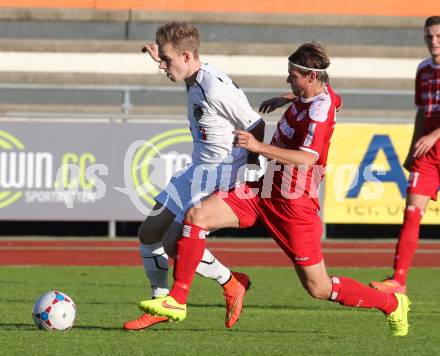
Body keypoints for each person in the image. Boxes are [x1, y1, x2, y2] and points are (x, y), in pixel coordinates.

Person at [139, 41, 411, 337]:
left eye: (293, 76)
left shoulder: (320, 112)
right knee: (197, 216)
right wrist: (287, 97)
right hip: (263, 190)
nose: (288, 79)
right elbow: (334, 97)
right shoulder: (318, 94)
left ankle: (391, 303)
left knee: (318, 287)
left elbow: (308, 159)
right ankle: (177, 300)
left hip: (294, 204)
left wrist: (258, 146)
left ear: (310, 77)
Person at [123, 22, 265, 330]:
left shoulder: (214, 86)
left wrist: (250, 173)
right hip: (196, 171)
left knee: (176, 245)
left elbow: (256, 125)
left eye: (167, 60)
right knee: (149, 233)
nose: (163, 66)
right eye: (161, 59)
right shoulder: (194, 77)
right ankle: (181, 294)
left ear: (187, 56)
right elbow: (181, 72)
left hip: (222, 176)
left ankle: (201, 292)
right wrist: (160, 56)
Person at [370, 16, 440, 294]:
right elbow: (422, 111)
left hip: (433, 140)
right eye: (428, 37)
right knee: (411, 213)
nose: (433, 42)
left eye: (437, 36)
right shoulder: (423, 69)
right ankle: (398, 280)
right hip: (428, 155)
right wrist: (413, 148)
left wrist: (434, 135)